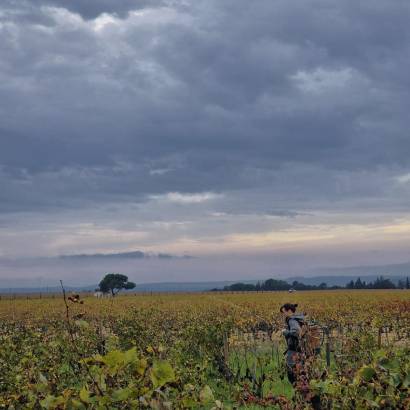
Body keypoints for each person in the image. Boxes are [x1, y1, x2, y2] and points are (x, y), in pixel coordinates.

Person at [279, 303, 304, 384]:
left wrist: (285, 332)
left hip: (294, 349)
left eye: (284, 312)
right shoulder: (298, 318)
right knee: (300, 369)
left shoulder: (292, 320)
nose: (283, 315)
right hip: (300, 349)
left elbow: (295, 332)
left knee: (291, 371)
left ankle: (296, 386)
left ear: (289, 311)